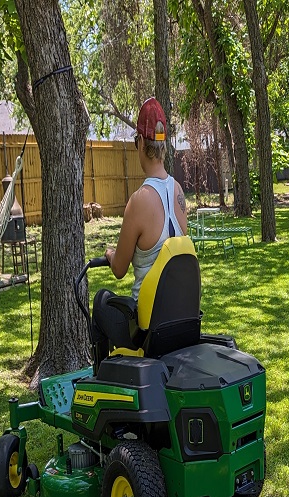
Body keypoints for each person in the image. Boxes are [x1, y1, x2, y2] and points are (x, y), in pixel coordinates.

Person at [91, 98, 188, 361]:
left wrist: (111, 254)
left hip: (146, 331)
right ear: (163, 146)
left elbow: (120, 270)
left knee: (101, 301)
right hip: (180, 322)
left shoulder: (139, 200)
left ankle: (103, 380)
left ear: (141, 144)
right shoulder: (178, 192)